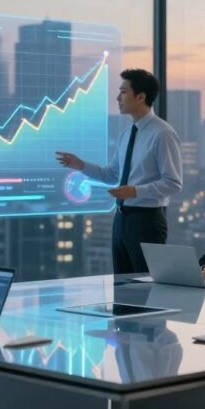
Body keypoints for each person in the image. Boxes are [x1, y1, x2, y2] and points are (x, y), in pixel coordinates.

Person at [56, 68, 182, 273]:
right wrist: (81, 165)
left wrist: (135, 191)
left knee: (146, 291)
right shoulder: (127, 134)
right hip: (121, 220)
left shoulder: (163, 134)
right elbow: (112, 175)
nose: (117, 98)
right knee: (123, 290)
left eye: (123, 92)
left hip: (146, 221)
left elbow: (173, 183)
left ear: (140, 97)